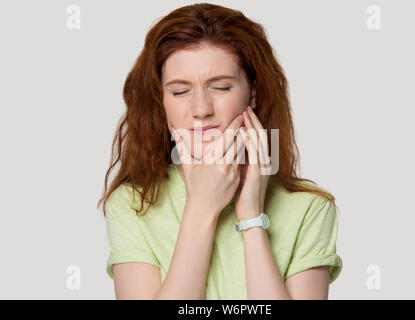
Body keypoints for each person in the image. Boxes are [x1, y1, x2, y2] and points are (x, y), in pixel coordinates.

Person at [97, 3, 343, 300]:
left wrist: (252, 217)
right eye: (179, 91)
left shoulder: (309, 209)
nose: (201, 110)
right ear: (160, 100)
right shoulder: (134, 204)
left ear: (252, 92)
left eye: (221, 87)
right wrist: (201, 208)